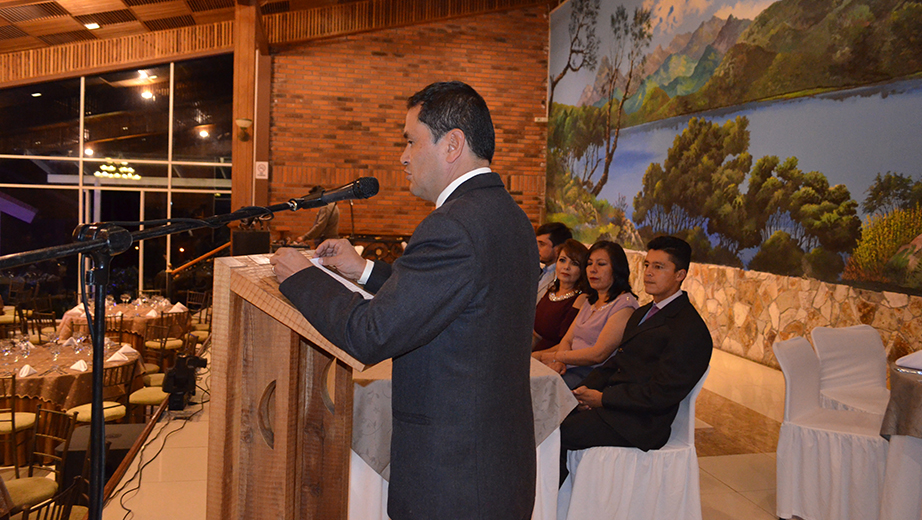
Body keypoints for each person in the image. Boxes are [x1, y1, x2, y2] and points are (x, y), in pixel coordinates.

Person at [270, 81, 538, 519]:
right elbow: (456, 297)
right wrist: (364, 271)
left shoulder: (452, 226)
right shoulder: (508, 215)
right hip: (491, 464)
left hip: (452, 481)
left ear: (452, 144)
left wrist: (302, 279)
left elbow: (371, 333)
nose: (403, 156)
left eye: (411, 141)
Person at [558, 235, 713, 484]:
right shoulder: (643, 312)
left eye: (659, 267)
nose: (649, 273)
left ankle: (550, 504)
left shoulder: (689, 329)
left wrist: (604, 399)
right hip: (615, 407)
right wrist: (587, 390)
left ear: (680, 274)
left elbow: (661, 394)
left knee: (558, 434)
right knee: (550, 419)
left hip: (641, 423)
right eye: (647, 265)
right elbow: (615, 363)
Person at [534, 241, 639, 389]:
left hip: (592, 375)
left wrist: (553, 357)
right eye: (589, 264)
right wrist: (559, 362)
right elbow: (568, 339)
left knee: (536, 386)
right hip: (569, 367)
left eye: (601, 264)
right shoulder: (591, 300)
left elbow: (598, 354)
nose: (592, 270)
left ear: (617, 269)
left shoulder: (624, 305)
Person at [533, 239, 588, 352]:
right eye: (562, 260)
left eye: (574, 263)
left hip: (553, 359)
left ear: (582, 270)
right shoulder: (551, 291)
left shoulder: (581, 299)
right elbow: (536, 334)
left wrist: (535, 357)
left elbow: (568, 343)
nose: (566, 267)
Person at [535, 222, 572, 303]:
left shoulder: (562, 277)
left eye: (542, 244)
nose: (536, 248)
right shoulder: (540, 271)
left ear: (557, 249)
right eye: (536, 243)